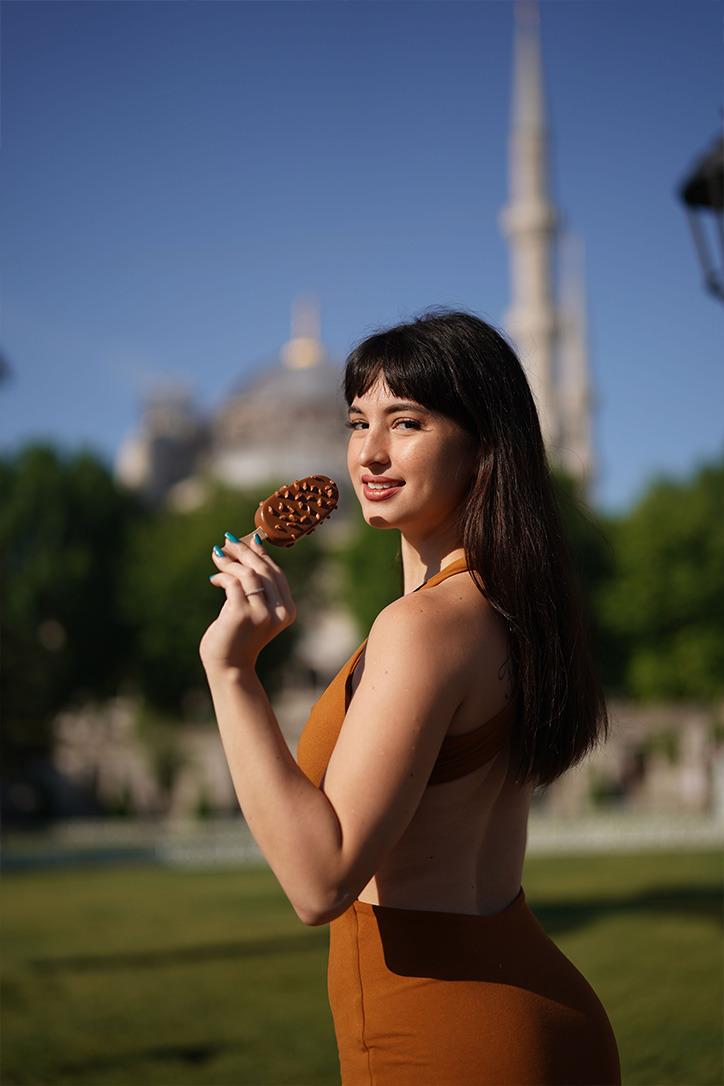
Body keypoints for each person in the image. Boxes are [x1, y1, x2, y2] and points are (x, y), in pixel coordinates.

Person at [200, 310, 621, 1085]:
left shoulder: (421, 628)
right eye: (359, 422)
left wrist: (232, 674)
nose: (371, 451)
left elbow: (321, 880)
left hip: (443, 1034)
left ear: (482, 442)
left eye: (408, 422)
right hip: (542, 1012)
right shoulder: (507, 608)